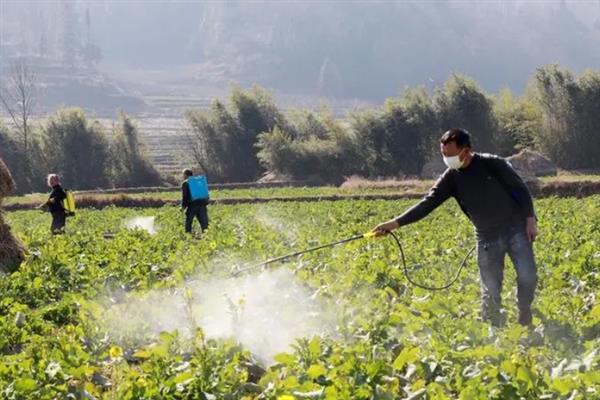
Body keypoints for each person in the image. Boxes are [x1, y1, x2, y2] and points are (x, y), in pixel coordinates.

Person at [372, 129, 538, 327]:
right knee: (490, 288)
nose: (446, 159)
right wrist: (393, 224)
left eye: (450, 154)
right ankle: (494, 332)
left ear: (465, 151)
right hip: (487, 236)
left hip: (515, 229)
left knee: (528, 275)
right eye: (443, 154)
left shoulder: (493, 164)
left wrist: (530, 219)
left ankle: (524, 311)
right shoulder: (451, 178)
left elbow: (520, 189)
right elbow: (428, 203)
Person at [181, 168, 209, 234]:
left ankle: (188, 236)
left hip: (192, 205)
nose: (183, 176)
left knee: (188, 222)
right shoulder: (198, 181)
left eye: (183, 175)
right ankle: (207, 236)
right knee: (204, 223)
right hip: (202, 204)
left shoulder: (185, 183)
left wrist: (183, 206)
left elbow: (184, 196)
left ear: (185, 175)